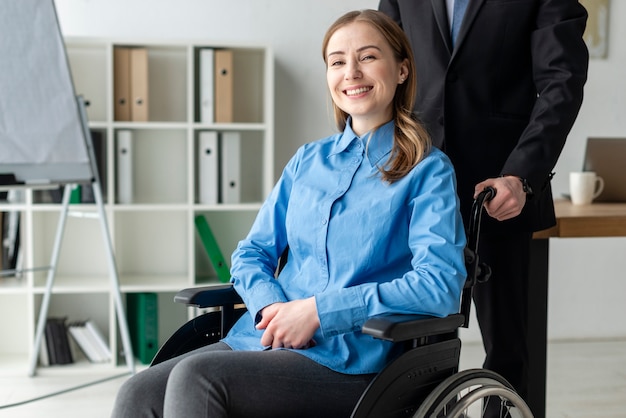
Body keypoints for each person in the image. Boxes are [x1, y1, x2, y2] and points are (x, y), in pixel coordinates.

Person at [111, 9, 467, 418]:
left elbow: (439, 284)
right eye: (337, 62)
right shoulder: (307, 162)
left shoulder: (427, 169)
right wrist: (271, 310)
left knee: (198, 378)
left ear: (402, 70)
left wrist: (319, 313)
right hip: (265, 339)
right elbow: (251, 254)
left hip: (355, 359)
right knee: (137, 393)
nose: (351, 71)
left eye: (368, 57)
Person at [379, 0, 589, 411]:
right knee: (413, 347)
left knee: (507, 350)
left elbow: (562, 80)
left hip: (499, 192)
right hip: (413, 187)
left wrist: (521, 174)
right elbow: (381, 60)